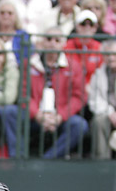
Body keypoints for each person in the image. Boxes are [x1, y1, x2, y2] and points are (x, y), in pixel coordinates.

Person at [28, 28, 87, 160]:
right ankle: (17, 156)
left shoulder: (74, 66)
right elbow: (24, 95)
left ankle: (48, 158)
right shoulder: (30, 65)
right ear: (42, 42)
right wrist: (37, 114)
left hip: (60, 117)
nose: (52, 43)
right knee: (12, 115)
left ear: (63, 44)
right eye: (49, 39)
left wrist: (60, 115)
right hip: (34, 117)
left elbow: (79, 97)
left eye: (57, 40)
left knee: (79, 125)